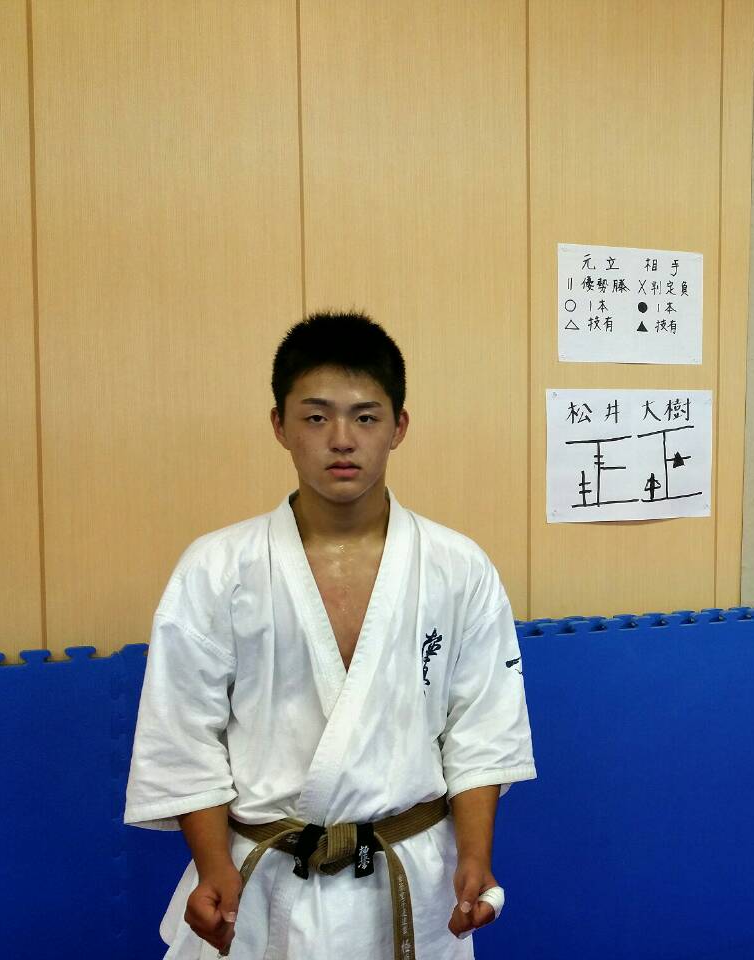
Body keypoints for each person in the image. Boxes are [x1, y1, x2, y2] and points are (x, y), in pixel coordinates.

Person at [125, 312, 537, 960]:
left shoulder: (458, 569)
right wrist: (212, 867)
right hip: (260, 886)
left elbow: (482, 728)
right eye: (316, 417)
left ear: (399, 427)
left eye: (365, 417)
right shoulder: (217, 569)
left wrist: (474, 857)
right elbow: (183, 733)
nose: (342, 440)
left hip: (411, 878)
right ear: (280, 426)